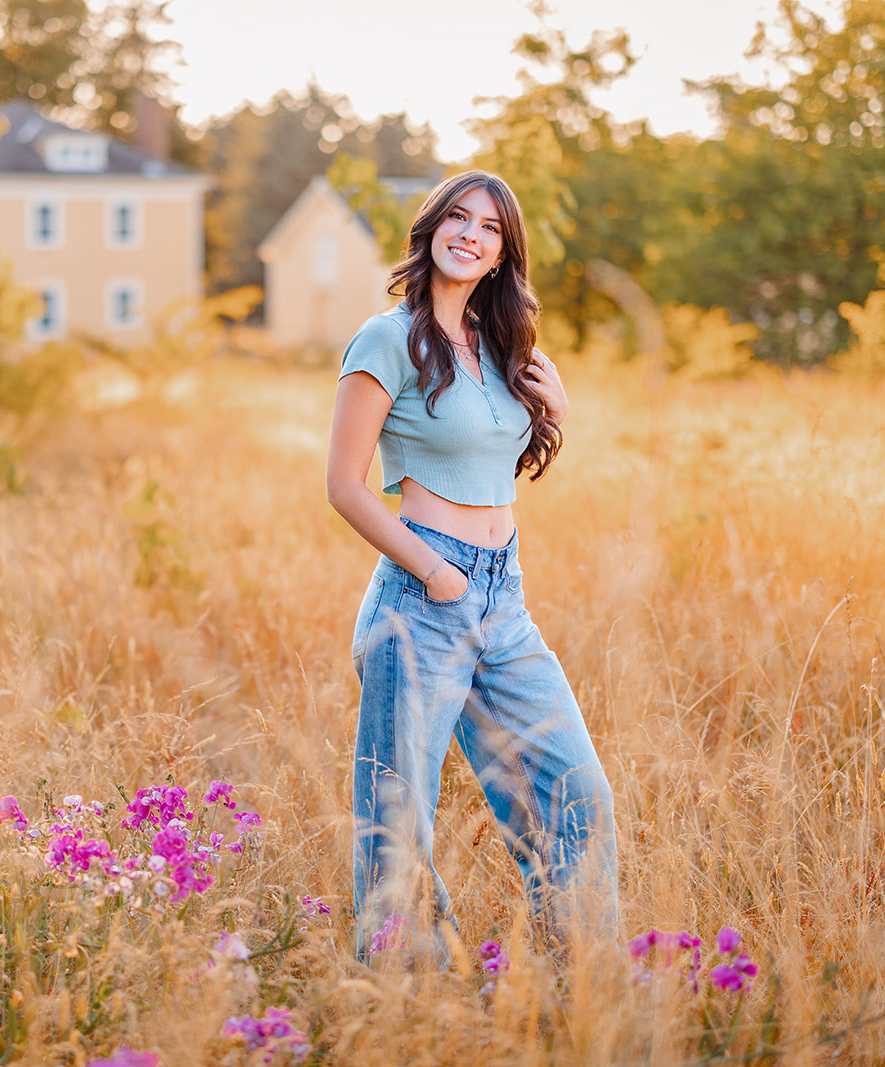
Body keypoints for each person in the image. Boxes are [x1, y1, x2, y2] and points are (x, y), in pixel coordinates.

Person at [325, 169, 618, 962]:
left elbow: (503, 456)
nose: (470, 234)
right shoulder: (386, 338)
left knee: (575, 790)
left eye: (489, 228)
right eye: (457, 217)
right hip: (423, 596)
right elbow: (346, 487)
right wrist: (437, 572)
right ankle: (403, 1003)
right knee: (399, 819)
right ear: (430, 232)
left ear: (500, 254)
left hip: (504, 596)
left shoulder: (499, 346)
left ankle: (583, 986)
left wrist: (558, 408)